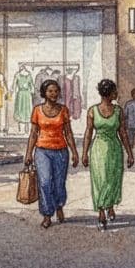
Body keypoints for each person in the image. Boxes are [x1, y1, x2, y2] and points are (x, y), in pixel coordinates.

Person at [25, 79, 79, 228]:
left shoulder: (64, 110)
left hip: (61, 151)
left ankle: (59, 206)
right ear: (44, 93)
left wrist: (74, 152)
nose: (53, 94)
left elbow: (68, 133)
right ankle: (47, 214)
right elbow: (33, 133)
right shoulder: (37, 110)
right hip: (42, 151)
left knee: (59, 183)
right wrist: (28, 154)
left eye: (56, 91)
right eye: (50, 91)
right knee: (45, 182)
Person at [82, 79, 134, 229]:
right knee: (99, 180)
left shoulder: (118, 111)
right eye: (114, 91)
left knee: (113, 179)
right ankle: (101, 211)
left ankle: (110, 205)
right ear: (108, 93)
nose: (116, 94)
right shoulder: (92, 110)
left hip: (114, 149)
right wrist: (84, 153)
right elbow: (88, 133)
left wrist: (129, 153)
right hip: (98, 148)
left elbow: (123, 133)